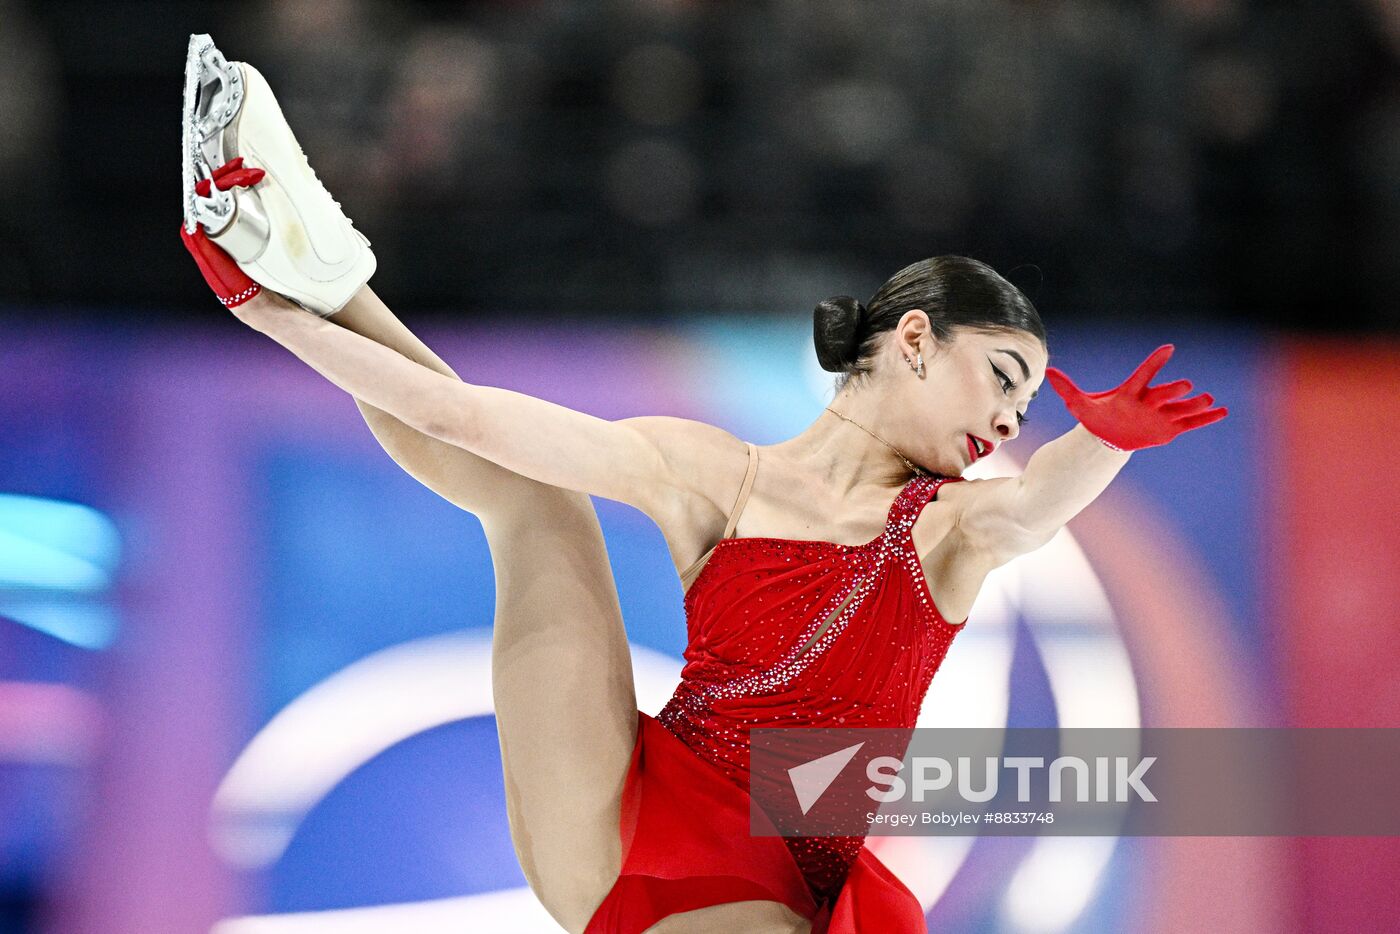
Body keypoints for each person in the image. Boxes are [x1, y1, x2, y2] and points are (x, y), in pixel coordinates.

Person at [179, 37, 1226, 934]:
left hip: (767, 870)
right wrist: (278, 317)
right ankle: (316, 262)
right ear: (912, 339)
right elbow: (459, 417)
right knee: (531, 496)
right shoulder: (710, 470)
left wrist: (1107, 443)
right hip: (620, 802)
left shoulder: (946, 529)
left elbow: (1037, 499)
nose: (1008, 419)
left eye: (1026, 405)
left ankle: (300, 275)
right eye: (1003, 379)